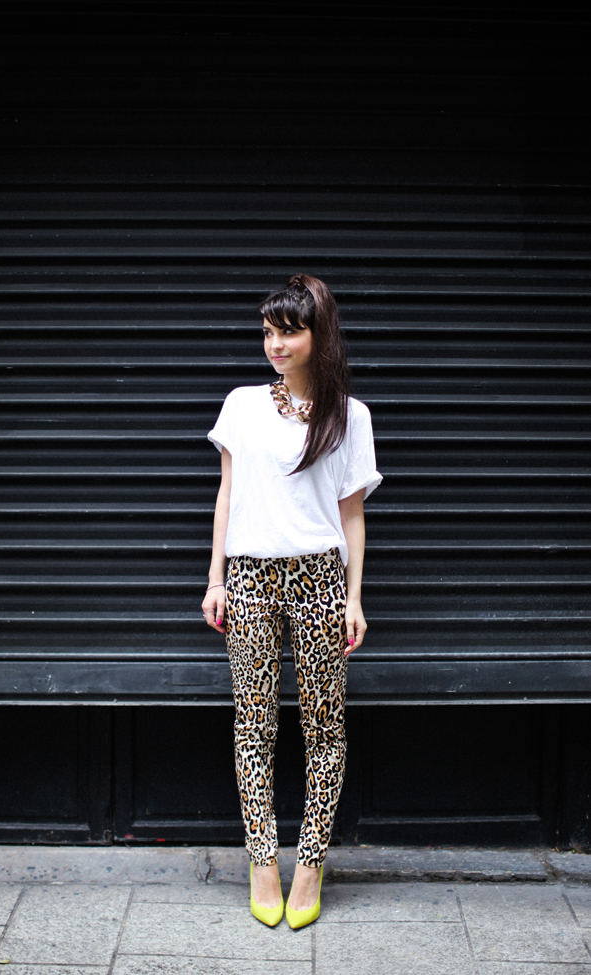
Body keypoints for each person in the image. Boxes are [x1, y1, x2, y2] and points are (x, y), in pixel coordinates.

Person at [202, 274, 382, 928]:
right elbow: (226, 494)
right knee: (253, 723)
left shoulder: (350, 415)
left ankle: (309, 863)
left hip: (320, 579)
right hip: (250, 576)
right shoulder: (243, 404)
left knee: (323, 727)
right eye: (267, 331)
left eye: (289, 331)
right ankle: (261, 860)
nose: (274, 344)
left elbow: (352, 514)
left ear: (318, 334)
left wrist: (354, 597)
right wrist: (216, 577)